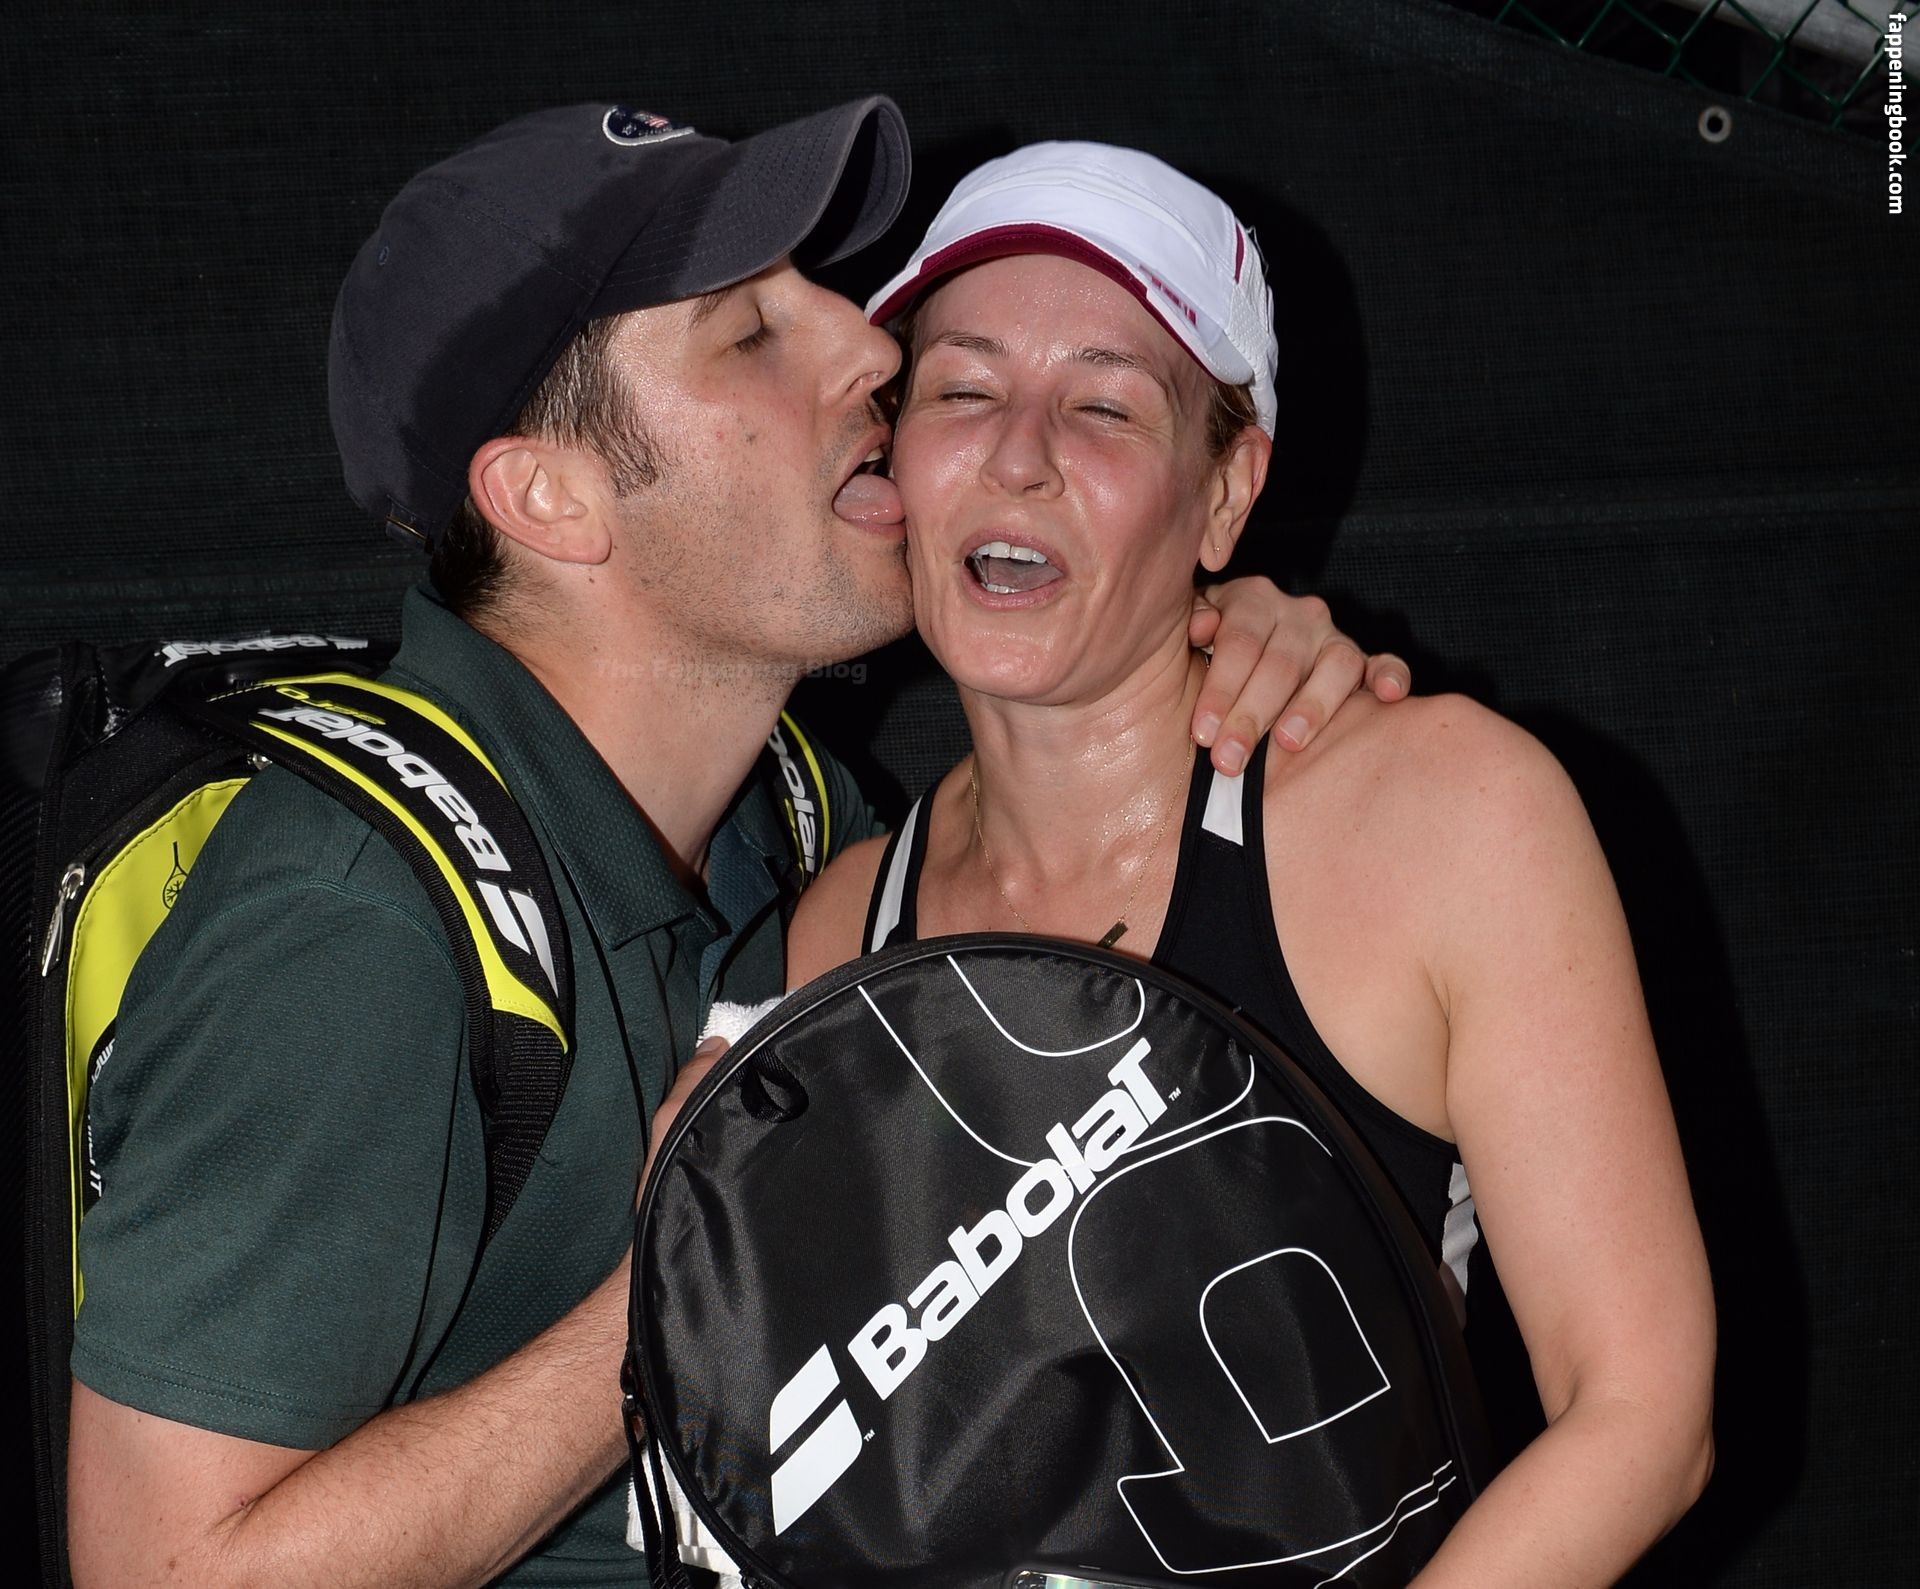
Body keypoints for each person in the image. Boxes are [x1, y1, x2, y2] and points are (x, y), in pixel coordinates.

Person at [63, 101, 1408, 1587]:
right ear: (550, 498)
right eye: (751, 333)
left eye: (817, 292)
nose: (871, 347)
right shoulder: (352, 918)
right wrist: (686, 1286)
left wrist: (1215, 632)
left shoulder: (806, 831)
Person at [781, 143, 1716, 1586]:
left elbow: (1641, 1412)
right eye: (962, 389)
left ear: (1226, 492)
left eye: (1104, 405)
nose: (1018, 453)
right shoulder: (843, 927)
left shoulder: (1443, 813)